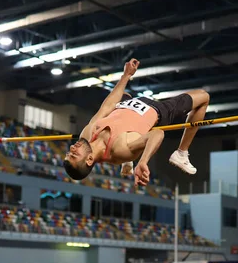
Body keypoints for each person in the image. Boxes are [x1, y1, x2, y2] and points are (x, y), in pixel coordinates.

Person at [63, 58, 210, 186]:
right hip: (157, 110)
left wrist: (126, 75)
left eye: (69, 153)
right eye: (74, 155)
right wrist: (143, 161)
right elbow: (157, 133)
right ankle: (181, 153)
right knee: (203, 97)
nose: (72, 149)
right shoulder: (120, 149)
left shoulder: (87, 134)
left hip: (127, 104)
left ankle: (127, 163)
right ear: (89, 160)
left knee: (122, 95)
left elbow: (106, 107)